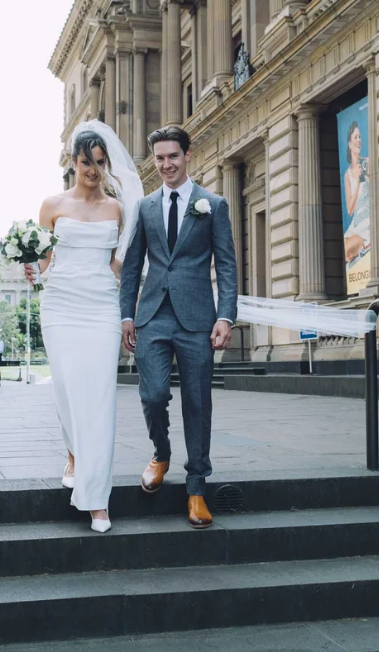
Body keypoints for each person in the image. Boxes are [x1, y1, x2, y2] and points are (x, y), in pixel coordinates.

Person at [120, 125, 238, 530]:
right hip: (153, 314)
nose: (166, 164)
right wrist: (126, 315)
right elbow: (133, 265)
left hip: (197, 319)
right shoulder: (146, 207)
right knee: (153, 395)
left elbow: (226, 265)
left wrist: (226, 315)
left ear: (188, 155)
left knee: (197, 402)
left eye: (173, 156)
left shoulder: (213, 204)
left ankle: (196, 488)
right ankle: (161, 451)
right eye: (159, 158)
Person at [24, 122, 136, 534]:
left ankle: (97, 500)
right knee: (68, 392)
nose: (93, 170)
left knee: (100, 399)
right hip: (61, 305)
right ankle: (73, 451)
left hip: (101, 305)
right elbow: (44, 263)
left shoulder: (118, 210)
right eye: (87, 162)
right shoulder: (52, 205)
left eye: (100, 163)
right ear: (74, 162)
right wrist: (33, 269)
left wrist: (124, 281)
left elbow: (116, 264)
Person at [343, 121, 371, 263]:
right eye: (355, 137)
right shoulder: (347, 175)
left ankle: (367, 244)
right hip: (355, 223)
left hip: (367, 221)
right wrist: (358, 180)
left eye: (360, 137)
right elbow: (349, 210)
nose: (359, 140)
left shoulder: (367, 162)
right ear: (349, 144)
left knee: (348, 251)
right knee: (343, 250)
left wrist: (365, 176)